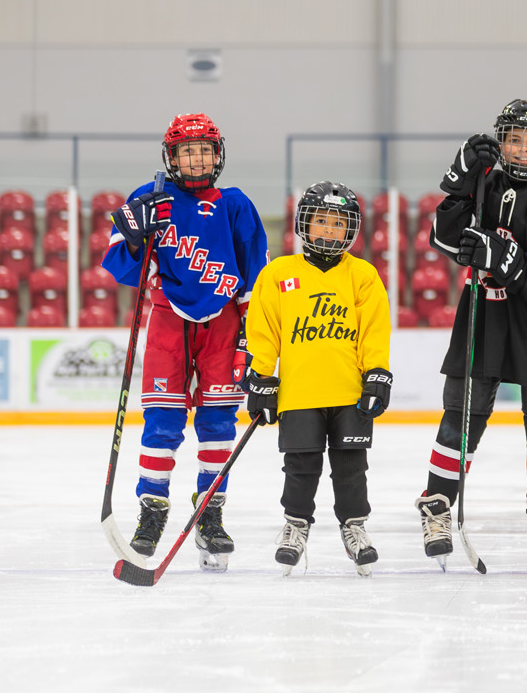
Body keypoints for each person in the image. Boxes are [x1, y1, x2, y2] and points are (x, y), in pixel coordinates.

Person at [418, 100, 527, 570]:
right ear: (503, 142)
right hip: (485, 315)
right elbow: (445, 240)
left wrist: (496, 254)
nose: (525, 149)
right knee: (461, 414)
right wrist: (457, 184)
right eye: (515, 139)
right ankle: (437, 503)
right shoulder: (485, 183)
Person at [103, 113, 267, 572]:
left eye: (204, 150)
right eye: (186, 151)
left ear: (218, 156)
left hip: (225, 324)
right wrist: (136, 239)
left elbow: (256, 275)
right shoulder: (148, 197)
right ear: (171, 157)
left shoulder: (236, 204)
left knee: (217, 424)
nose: (196, 159)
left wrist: (252, 339)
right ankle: (151, 513)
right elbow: (120, 267)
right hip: (168, 320)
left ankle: (209, 515)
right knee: (161, 423)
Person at [242, 181, 391, 577]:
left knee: (351, 466)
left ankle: (355, 527)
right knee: (300, 465)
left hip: (349, 390)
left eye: (338, 223)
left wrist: (376, 371)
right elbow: (264, 331)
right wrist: (260, 376)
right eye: (321, 221)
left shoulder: (362, 275)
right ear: (304, 224)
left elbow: (374, 330)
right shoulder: (278, 274)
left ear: (351, 229)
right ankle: (295, 525)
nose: (329, 230)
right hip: (299, 391)